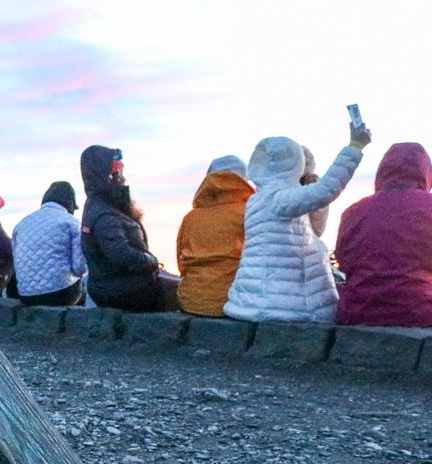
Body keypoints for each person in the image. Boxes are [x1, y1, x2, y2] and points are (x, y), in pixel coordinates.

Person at [223, 122, 371, 323]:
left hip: (252, 300)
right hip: (286, 306)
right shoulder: (281, 199)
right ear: (296, 164)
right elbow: (326, 189)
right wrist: (354, 147)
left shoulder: (256, 200)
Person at [334, 142, 432, 327]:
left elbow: (344, 262)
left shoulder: (353, 211)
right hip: (418, 312)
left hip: (357, 310)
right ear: (426, 173)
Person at [79, 145, 178, 312]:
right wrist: (151, 261)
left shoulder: (103, 204)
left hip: (116, 286)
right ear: (108, 175)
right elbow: (120, 254)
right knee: (186, 295)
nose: (122, 174)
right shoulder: (104, 213)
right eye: (118, 169)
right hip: (123, 291)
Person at [175, 155, 254, 317]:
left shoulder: (191, 217)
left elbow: (181, 263)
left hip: (190, 301)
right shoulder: (248, 213)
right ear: (244, 180)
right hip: (233, 302)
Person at [9, 181, 87, 306]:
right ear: (70, 203)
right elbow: (80, 268)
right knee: (81, 288)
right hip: (60, 295)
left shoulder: (21, 224)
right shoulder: (72, 223)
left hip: (26, 295)